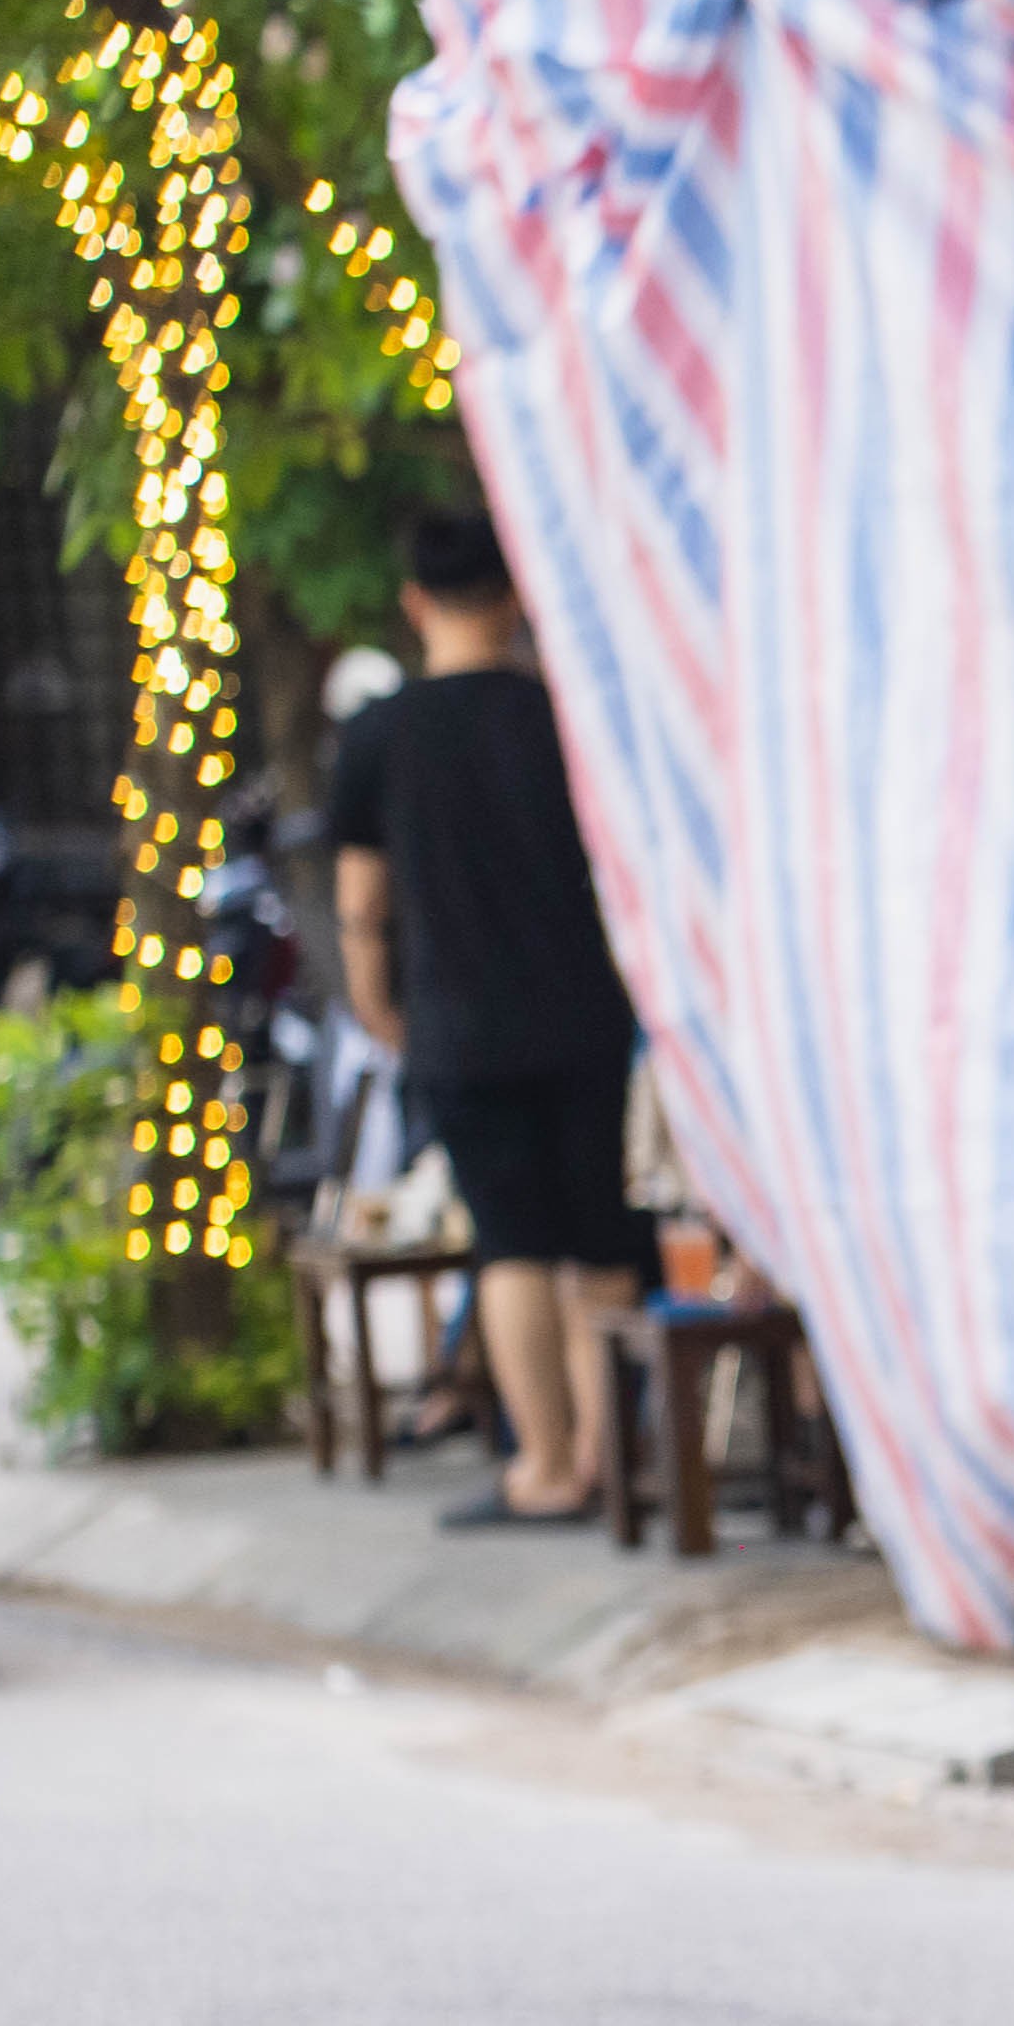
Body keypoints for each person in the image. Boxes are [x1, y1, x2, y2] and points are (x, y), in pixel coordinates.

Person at [326, 508, 648, 1530]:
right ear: (515, 599)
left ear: (415, 602)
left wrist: (379, 1006)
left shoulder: (378, 736)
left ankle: (546, 1468)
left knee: (510, 1241)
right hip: (588, 1014)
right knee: (603, 1241)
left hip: (458, 1024)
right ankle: (615, 1464)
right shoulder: (568, 718)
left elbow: (360, 905)